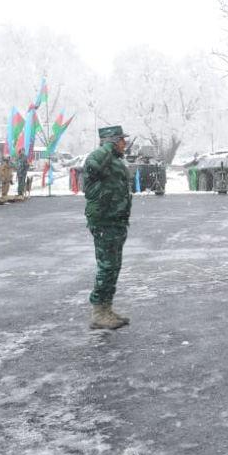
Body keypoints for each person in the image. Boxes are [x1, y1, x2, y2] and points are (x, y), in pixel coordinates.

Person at [83, 125, 133, 330]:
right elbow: (92, 165)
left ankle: (106, 309)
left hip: (115, 220)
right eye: (121, 140)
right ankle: (98, 312)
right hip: (104, 220)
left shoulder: (114, 160)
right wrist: (107, 147)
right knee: (107, 267)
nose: (125, 143)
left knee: (114, 266)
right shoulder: (99, 157)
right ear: (112, 141)